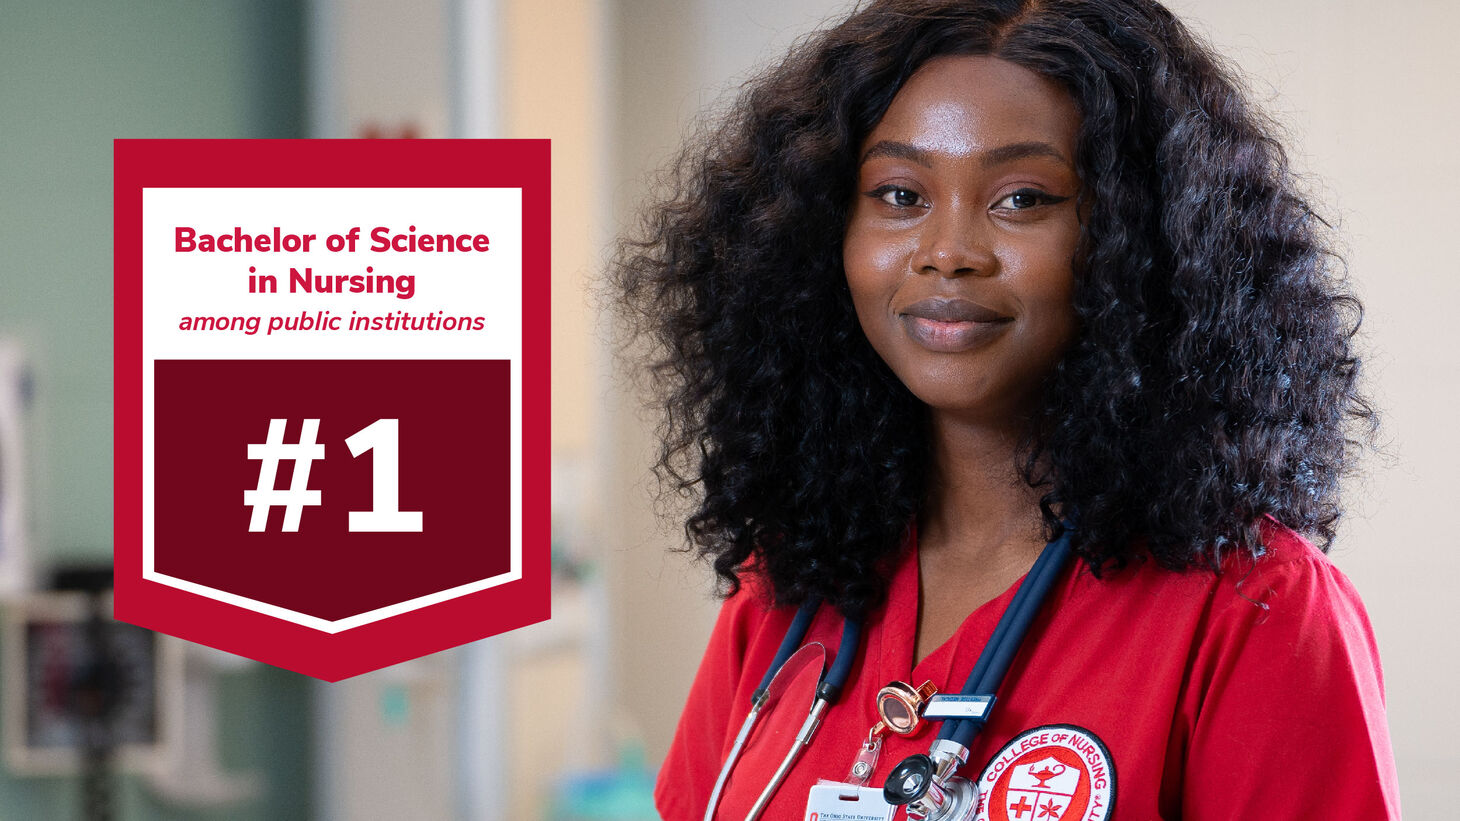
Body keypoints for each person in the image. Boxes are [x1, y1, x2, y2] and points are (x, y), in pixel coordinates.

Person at [610, 1, 1400, 819]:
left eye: (1022, 199)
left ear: (1142, 237)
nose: (948, 250)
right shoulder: (787, 586)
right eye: (899, 192)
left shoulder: (1255, 609)